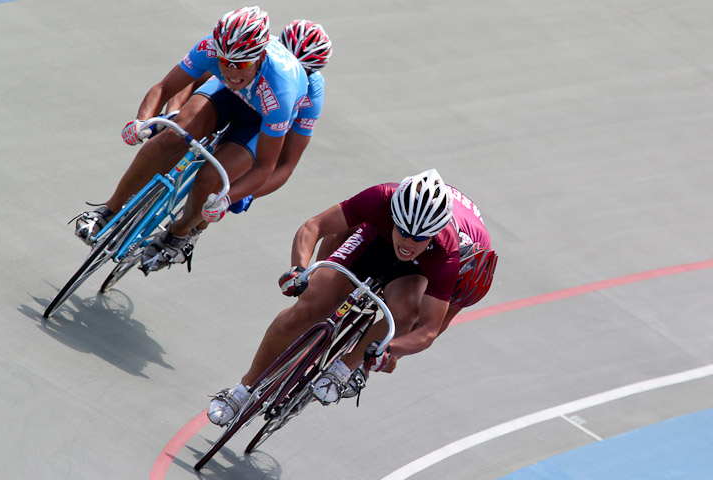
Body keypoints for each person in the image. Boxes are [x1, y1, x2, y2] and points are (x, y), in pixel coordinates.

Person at [207, 169, 497, 426]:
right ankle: (242, 390)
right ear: (393, 215)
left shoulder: (449, 255)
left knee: (407, 313)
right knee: (309, 306)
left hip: (426, 268)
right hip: (376, 239)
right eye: (404, 231)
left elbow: (431, 329)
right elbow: (315, 227)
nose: (409, 243)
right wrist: (300, 272)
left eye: (419, 238)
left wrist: (388, 349)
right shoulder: (381, 198)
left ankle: (344, 367)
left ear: (434, 234)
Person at [73, 8, 325, 272]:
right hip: (225, 96)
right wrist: (142, 121)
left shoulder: (281, 91)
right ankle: (109, 210)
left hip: (258, 121)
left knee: (210, 183)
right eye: (224, 61)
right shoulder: (210, 50)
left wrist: (231, 198)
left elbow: (267, 166)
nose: (230, 69)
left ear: (260, 56)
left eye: (240, 64)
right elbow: (164, 88)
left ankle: (179, 234)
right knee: (170, 138)